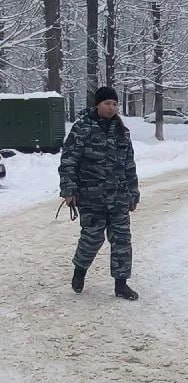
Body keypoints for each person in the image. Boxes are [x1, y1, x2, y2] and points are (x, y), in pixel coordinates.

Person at [59, 86, 140, 300]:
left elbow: (129, 165)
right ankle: (80, 271)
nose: (111, 108)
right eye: (107, 103)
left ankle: (121, 285)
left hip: (119, 197)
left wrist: (133, 193)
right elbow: (69, 161)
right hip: (91, 197)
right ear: (97, 105)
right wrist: (69, 190)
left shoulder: (122, 131)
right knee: (92, 238)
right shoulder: (82, 128)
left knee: (122, 240)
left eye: (115, 104)